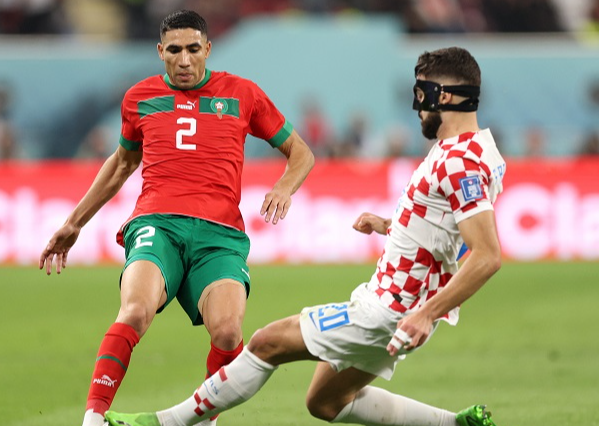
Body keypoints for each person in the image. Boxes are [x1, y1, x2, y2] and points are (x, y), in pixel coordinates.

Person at [105, 46, 505, 426]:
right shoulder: (476, 151)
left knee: (266, 342)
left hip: (390, 310)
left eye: (421, 94)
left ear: (444, 96)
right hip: (398, 306)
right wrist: (389, 224)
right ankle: (455, 423)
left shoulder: (459, 163)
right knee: (326, 402)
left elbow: (486, 255)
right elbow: (449, 229)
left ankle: (167, 421)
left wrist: (426, 313)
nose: (417, 107)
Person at [38, 9, 314, 426]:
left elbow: (301, 153)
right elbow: (122, 163)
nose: (184, 60)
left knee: (228, 332)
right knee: (135, 311)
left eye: (192, 49)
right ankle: (93, 418)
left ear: (208, 48)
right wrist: (74, 222)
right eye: (174, 50)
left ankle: (205, 419)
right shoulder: (140, 97)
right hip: (158, 224)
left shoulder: (243, 94)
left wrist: (283, 187)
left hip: (220, 235)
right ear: (160, 52)